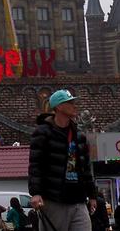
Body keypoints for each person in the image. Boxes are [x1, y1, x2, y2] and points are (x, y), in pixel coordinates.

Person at [28, 89, 97, 231]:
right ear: (58, 107)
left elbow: (85, 169)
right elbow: (36, 165)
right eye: (70, 102)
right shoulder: (42, 133)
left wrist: (92, 195)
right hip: (54, 199)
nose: (74, 105)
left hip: (78, 199)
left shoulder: (79, 136)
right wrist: (36, 192)